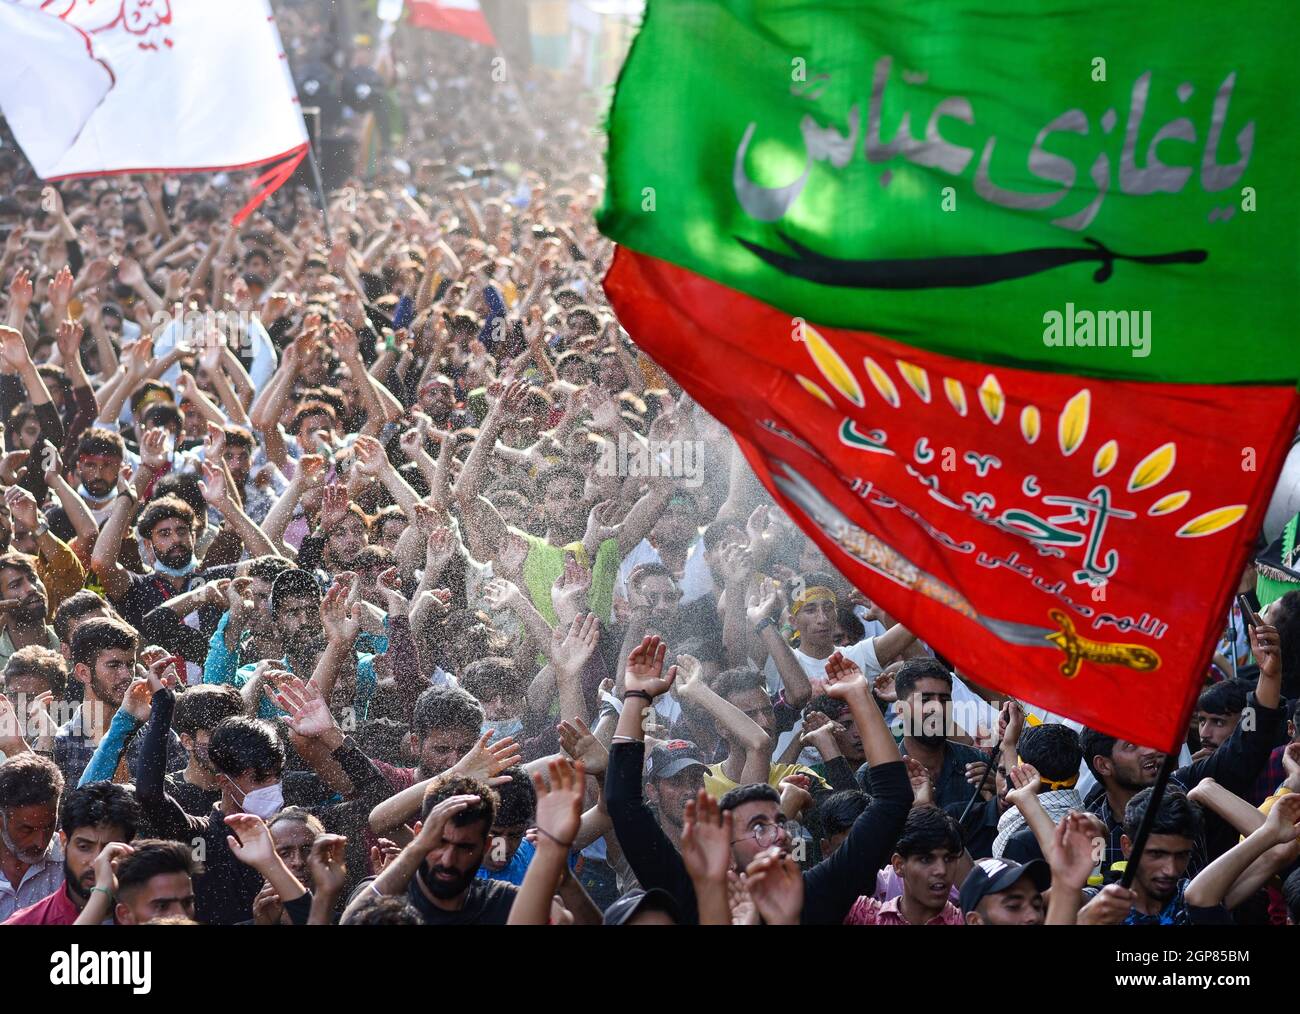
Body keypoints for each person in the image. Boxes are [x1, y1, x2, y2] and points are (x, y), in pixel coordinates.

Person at [3, 781, 139, 925]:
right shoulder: (28, 922)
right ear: (63, 842)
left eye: (109, 851)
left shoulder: (153, 912)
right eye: (84, 847)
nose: (96, 862)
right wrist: (102, 893)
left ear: (129, 848)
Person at [0, 752, 64, 921]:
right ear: (1, 820)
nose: (41, 842)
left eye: (50, 826)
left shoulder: (72, 863)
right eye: (27, 830)